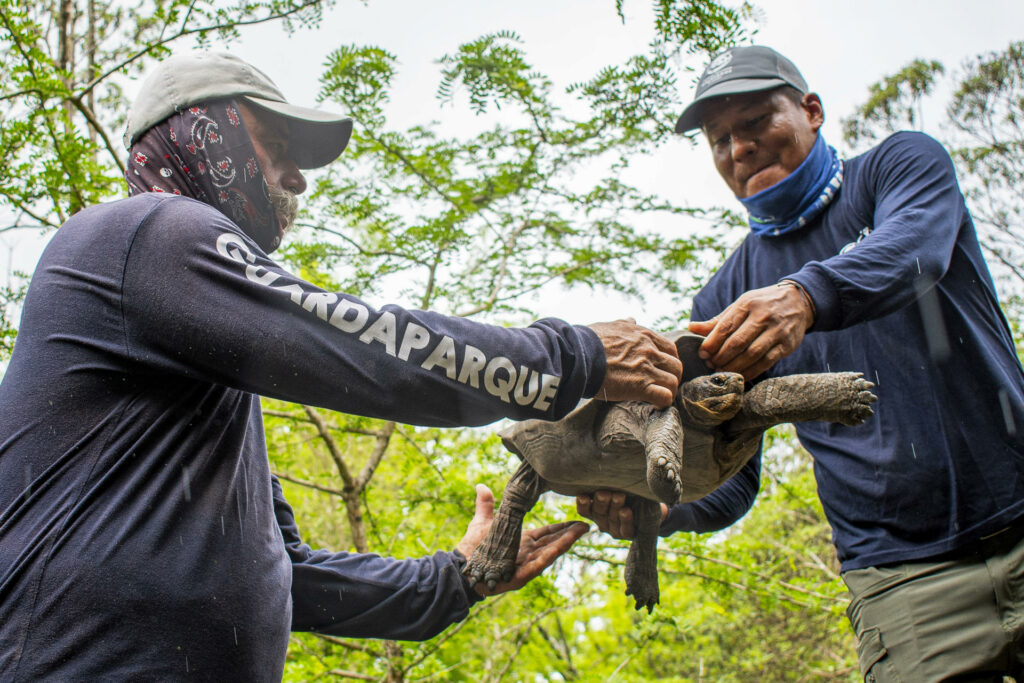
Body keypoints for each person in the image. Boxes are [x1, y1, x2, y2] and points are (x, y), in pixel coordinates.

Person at [0, 52, 684, 680]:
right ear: (205, 132)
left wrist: (461, 578)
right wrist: (575, 357)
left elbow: (286, 575)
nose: (297, 178)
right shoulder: (144, 230)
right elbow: (368, 347)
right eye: (277, 146)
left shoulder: (201, 381)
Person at [579, 45, 1024, 680]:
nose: (740, 149)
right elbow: (734, 473)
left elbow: (914, 250)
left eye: (758, 121)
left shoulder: (900, 169)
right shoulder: (723, 298)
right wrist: (663, 506)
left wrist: (806, 297)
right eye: (720, 139)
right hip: (902, 579)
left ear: (811, 110)